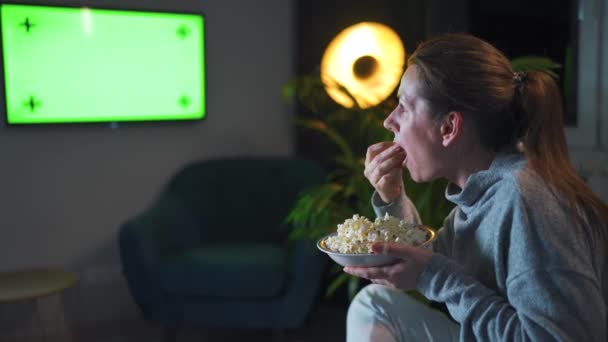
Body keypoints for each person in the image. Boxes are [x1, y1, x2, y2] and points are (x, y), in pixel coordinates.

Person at [343, 33, 608, 341]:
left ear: (449, 127)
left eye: (404, 106)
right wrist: (392, 197)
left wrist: (433, 274)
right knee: (374, 305)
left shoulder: (523, 199)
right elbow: (431, 261)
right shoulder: (481, 199)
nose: (390, 121)